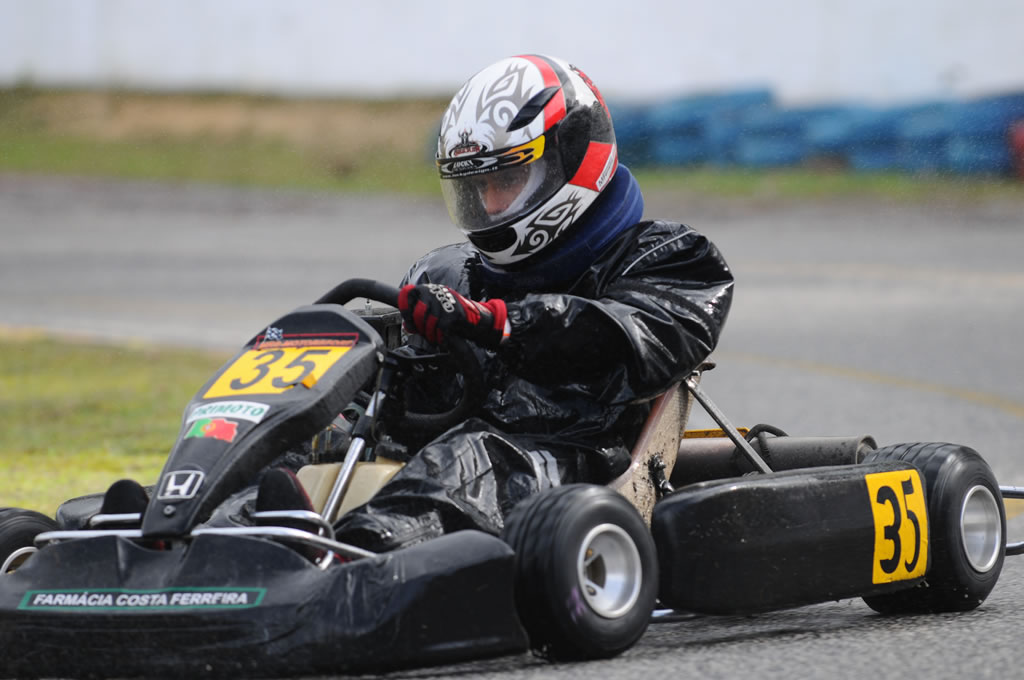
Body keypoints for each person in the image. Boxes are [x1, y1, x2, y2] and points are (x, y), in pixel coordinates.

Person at [331, 54, 734, 552]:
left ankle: (351, 560)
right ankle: (232, 532)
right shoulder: (447, 273)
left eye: (506, 181)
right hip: (436, 465)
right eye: (479, 186)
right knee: (316, 436)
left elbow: (620, 338)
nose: (493, 206)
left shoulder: (670, 260)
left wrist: (496, 323)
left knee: (471, 458)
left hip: (570, 468)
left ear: (570, 159)